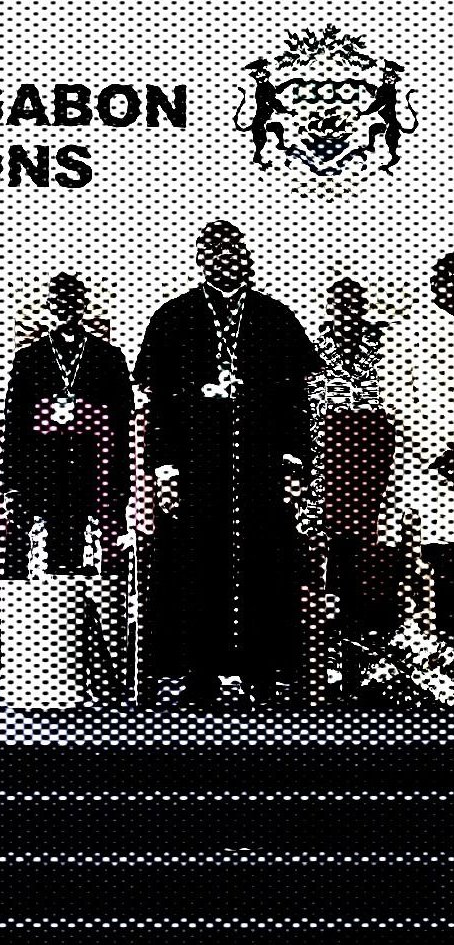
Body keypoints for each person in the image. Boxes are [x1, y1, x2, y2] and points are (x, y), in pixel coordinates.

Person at [134, 222, 320, 705]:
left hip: (261, 465)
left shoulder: (274, 317)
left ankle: (262, 674)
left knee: (265, 567)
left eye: (232, 251)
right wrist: (165, 471)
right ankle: (198, 676)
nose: (223, 260)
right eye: (212, 252)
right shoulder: (173, 317)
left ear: (247, 257)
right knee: (195, 569)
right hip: (196, 466)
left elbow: (296, 401)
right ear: (200, 260)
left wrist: (294, 464)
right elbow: (159, 406)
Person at [0, 273, 133, 579]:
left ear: (83, 306)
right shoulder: (29, 359)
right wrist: (11, 484)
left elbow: (123, 422)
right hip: (43, 470)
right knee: (38, 557)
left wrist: (122, 482)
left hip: (94, 469)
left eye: (72, 303)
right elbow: (15, 426)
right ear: (49, 306)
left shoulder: (108, 358)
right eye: (58, 303)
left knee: (104, 558)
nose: (65, 310)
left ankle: (102, 606)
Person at [306, 280, 403, 675]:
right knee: (327, 549)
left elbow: (395, 405)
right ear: (330, 307)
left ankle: (366, 642)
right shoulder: (313, 347)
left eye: (353, 304)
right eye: (339, 304)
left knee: (370, 548)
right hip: (328, 457)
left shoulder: (383, 345)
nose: (347, 311)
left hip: (371, 456)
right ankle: (327, 644)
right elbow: (307, 407)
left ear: (362, 307)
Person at [377, 254, 454, 631]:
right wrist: (439, 450)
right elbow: (394, 401)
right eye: (448, 280)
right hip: (426, 466)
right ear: (436, 284)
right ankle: (425, 639)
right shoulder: (406, 333)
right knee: (429, 555)